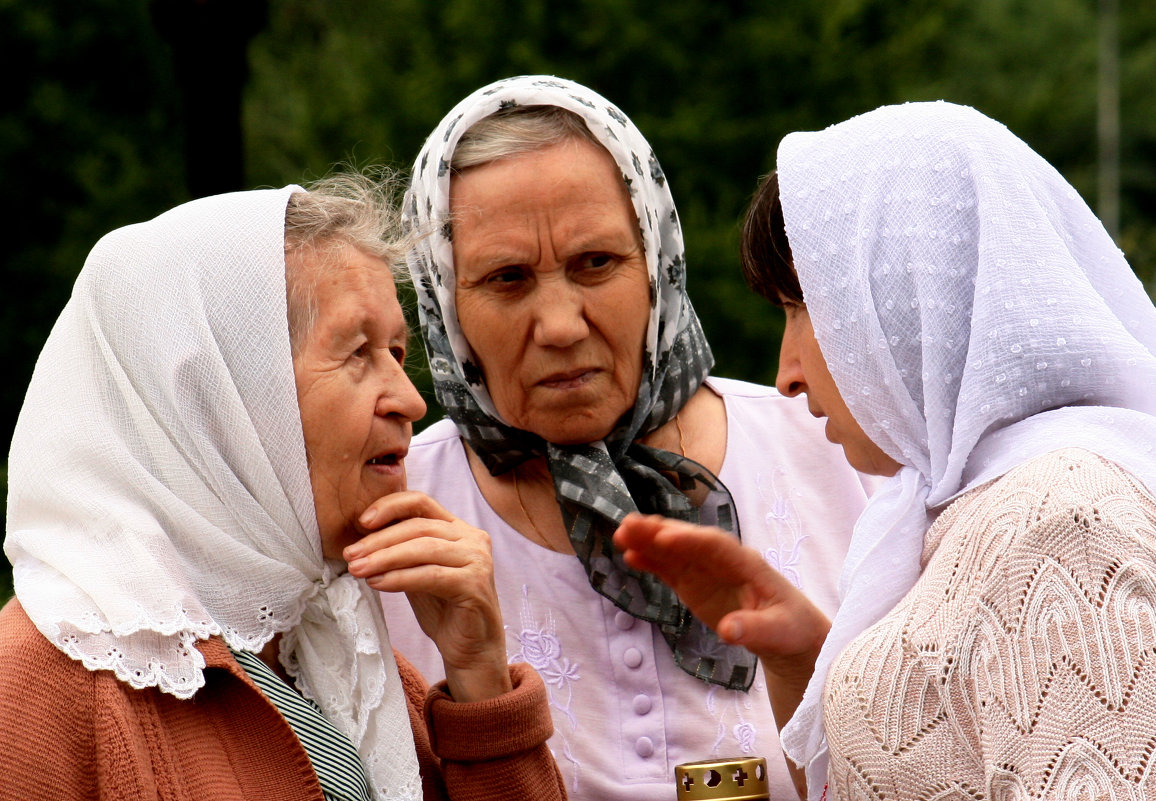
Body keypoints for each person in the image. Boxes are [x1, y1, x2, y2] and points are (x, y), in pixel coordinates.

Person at [615, 100, 1156, 801]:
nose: (787, 372)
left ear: (909, 296)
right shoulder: (971, 508)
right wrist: (802, 660)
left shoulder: (1060, 524)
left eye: (803, 308)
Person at [377, 74, 874, 801]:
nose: (561, 324)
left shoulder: (835, 455)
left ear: (660, 263)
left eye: (596, 264)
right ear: (445, 306)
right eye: (508, 278)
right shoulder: (401, 518)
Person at [0, 172, 566, 800]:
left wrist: (480, 678)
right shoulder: (36, 692)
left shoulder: (338, 660)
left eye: (398, 354)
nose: (410, 401)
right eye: (357, 352)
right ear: (218, 401)